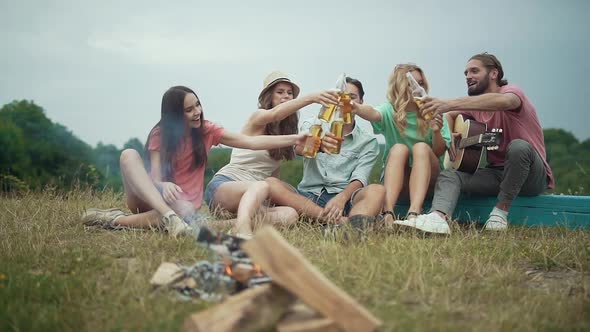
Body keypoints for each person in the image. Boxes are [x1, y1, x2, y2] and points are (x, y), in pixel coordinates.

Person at [81, 85, 306, 237]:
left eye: (197, 105)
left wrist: (296, 138)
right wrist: (164, 185)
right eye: (189, 110)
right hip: (151, 198)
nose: (197, 112)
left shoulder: (206, 131)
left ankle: (155, 221)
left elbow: (249, 142)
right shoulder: (161, 134)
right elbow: (156, 176)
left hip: (186, 208)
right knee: (128, 154)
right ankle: (151, 218)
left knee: (287, 216)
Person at [415, 52, 554, 233]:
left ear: (494, 73)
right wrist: (451, 137)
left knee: (519, 147)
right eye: (465, 73)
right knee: (450, 174)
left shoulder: (511, 92)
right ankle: (438, 217)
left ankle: (500, 212)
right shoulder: (474, 106)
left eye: (474, 71)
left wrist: (449, 103)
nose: (468, 76)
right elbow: (451, 115)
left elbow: (505, 101)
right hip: (496, 174)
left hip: (531, 176)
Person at [204, 71, 339, 238]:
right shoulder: (258, 116)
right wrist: (311, 98)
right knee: (262, 186)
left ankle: (216, 224)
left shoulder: (284, 133)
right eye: (280, 92)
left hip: (252, 197)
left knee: (289, 215)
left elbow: (273, 177)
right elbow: (275, 114)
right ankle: (242, 230)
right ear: (269, 96)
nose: (286, 96)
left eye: (290, 93)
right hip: (226, 186)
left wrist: (322, 146)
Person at [265, 77, 385, 226]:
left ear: (360, 102)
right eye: (341, 95)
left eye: (351, 97)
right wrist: (319, 145)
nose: (345, 101)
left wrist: (342, 198)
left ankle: (352, 223)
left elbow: (360, 178)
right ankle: (343, 222)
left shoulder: (368, 142)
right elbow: (298, 148)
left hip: (345, 200)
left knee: (377, 190)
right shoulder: (314, 124)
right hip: (308, 196)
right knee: (270, 184)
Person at [352, 64, 451, 226]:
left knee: (421, 147)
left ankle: (414, 213)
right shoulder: (390, 110)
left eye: (420, 83)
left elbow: (439, 152)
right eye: (411, 83)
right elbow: (373, 113)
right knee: (399, 148)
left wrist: (436, 131)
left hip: (429, 180)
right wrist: (355, 107)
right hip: (397, 180)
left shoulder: (434, 111)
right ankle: (388, 213)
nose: (417, 87)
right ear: (400, 86)